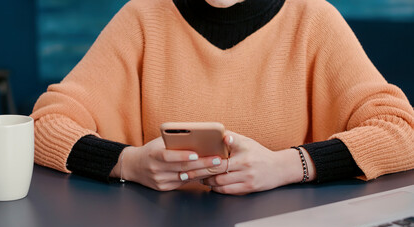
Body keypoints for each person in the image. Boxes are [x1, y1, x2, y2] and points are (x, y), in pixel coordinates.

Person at [31, 0, 414, 195]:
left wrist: (289, 165)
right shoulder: (142, 17)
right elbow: (42, 126)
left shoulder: (312, 18)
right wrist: (126, 163)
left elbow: (403, 129)